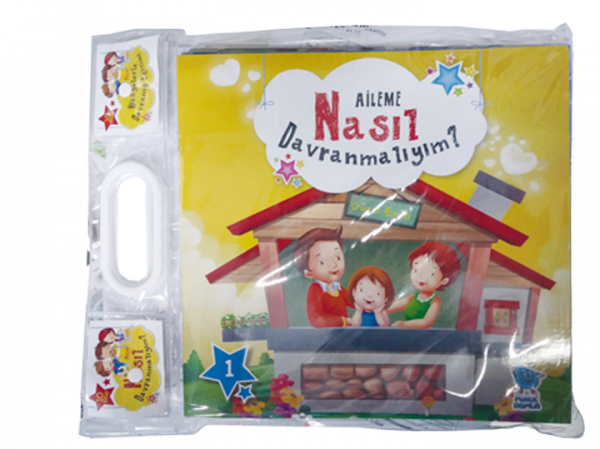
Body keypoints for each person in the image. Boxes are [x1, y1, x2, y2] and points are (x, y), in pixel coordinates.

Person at [388, 242, 461, 329]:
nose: (420, 276)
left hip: (424, 334)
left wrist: (404, 325)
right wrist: (378, 308)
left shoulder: (435, 301)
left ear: (444, 280)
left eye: (431, 273)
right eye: (416, 270)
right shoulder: (412, 298)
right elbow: (393, 306)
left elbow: (426, 322)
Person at [292, 226, 353, 328]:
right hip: (328, 335)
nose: (334, 264)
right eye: (322, 262)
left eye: (338, 257)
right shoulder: (315, 290)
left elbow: (357, 301)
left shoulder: (339, 289)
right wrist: (344, 321)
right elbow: (316, 320)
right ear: (309, 273)